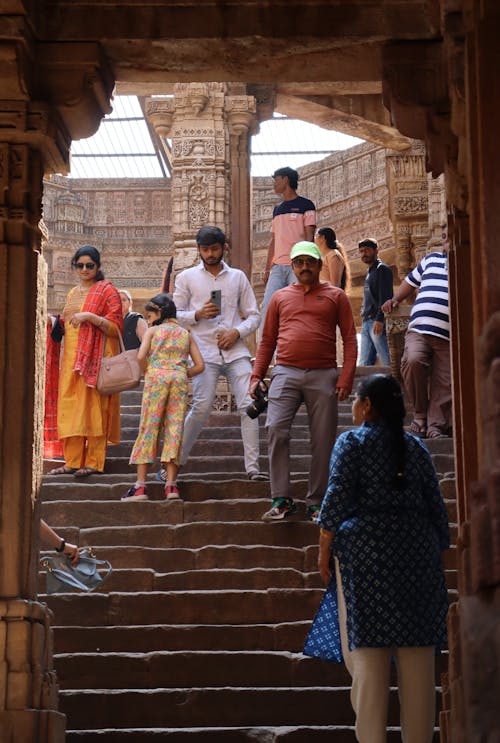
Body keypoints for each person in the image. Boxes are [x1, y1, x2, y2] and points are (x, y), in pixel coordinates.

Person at [304, 374, 449, 743]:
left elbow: (334, 501)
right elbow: (437, 510)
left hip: (365, 556)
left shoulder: (351, 442)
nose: (353, 407)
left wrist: (324, 549)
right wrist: (431, 556)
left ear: (367, 406)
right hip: (416, 554)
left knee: (368, 658)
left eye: (355, 400)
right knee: (418, 662)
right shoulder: (416, 448)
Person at [251, 241, 357, 522]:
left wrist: (346, 376)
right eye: (299, 262)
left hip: (323, 374)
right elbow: (268, 341)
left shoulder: (336, 296)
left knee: (322, 439)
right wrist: (256, 375)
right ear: (293, 266)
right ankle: (281, 499)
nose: (305, 267)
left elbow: (349, 338)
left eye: (310, 262)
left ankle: (317, 502)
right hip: (285, 372)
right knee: (275, 429)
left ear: (319, 265)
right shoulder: (280, 297)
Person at [172, 225, 268, 481]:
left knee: (249, 405)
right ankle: (173, 464)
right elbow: (173, 316)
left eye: (215, 248)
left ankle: (253, 469)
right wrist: (198, 314)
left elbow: (254, 316)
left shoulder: (237, 277)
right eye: (205, 249)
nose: (210, 254)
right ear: (198, 249)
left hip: (236, 351)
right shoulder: (186, 278)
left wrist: (236, 333)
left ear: (224, 247)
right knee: (201, 407)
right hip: (203, 352)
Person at [48, 246, 123, 477]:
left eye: (89, 265)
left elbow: (116, 328)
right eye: (79, 265)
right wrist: (52, 321)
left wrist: (90, 317)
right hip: (71, 361)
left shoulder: (107, 291)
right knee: (71, 409)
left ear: (98, 267)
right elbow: (66, 323)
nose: (84, 269)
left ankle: (94, 462)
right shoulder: (72, 294)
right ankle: (71, 461)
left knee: (95, 410)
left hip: (96, 360)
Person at [122, 293, 204, 501]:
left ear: (159, 313)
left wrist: (149, 371)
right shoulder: (185, 333)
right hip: (177, 380)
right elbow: (200, 365)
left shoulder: (153, 331)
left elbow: (141, 357)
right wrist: (181, 373)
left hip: (156, 379)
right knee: (174, 429)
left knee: (149, 427)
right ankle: (171, 486)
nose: (148, 320)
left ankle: (140, 487)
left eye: (149, 316)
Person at [381, 231, 451, 438]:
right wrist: (395, 300)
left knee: (445, 381)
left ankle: (435, 426)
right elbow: (411, 282)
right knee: (412, 361)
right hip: (420, 328)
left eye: (450, 237)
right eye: (445, 238)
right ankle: (420, 414)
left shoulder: (468, 264)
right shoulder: (431, 260)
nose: (447, 242)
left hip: (449, 336)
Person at [260, 166, 316, 328]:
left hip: (297, 266)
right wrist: (267, 269)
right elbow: (274, 240)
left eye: (276, 180)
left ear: (285, 179)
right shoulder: (277, 209)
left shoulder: (306, 205)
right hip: (277, 268)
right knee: (268, 307)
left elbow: (309, 238)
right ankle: (266, 352)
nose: (274, 184)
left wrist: (307, 266)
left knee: (297, 307)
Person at [358, 238, 393, 367]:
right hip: (366, 322)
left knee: (387, 362)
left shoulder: (382, 269)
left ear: (376, 250)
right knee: (364, 365)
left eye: (367, 250)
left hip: (375, 322)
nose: (364, 254)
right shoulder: (370, 271)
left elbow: (386, 297)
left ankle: (395, 386)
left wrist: (380, 319)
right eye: (361, 251)